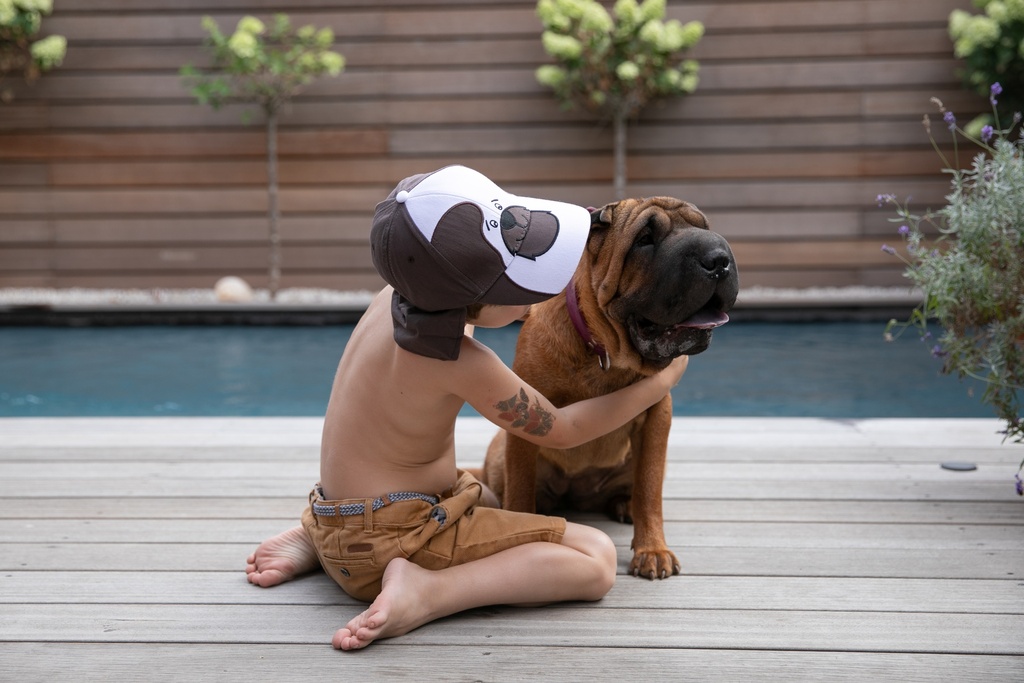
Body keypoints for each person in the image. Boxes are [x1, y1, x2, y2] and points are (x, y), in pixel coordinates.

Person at [245, 165, 688, 651]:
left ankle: (318, 540)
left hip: (339, 512)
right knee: (595, 559)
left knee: (488, 492)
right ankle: (428, 591)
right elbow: (561, 429)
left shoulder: (391, 299)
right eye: (519, 291)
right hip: (397, 541)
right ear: (472, 297)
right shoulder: (458, 359)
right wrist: (660, 380)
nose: (534, 303)